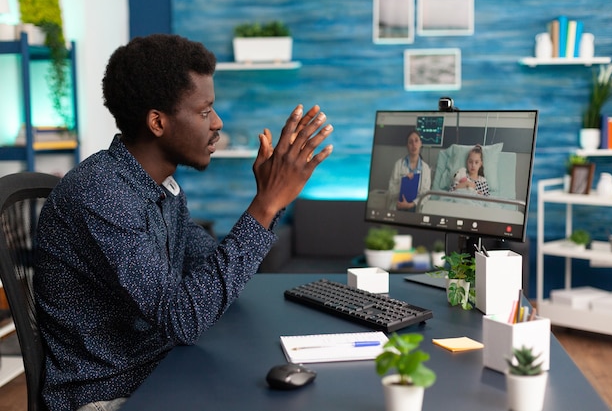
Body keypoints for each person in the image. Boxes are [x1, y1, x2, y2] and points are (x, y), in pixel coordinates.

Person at [33, 34, 333, 411]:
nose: (217, 123)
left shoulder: (161, 189)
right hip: (108, 395)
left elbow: (211, 271)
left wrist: (269, 204)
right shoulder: (102, 194)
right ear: (158, 122)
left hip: (160, 369)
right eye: (205, 111)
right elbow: (183, 317)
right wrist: (264, 205)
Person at [387, 130, 431, 211]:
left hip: (416, 208)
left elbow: (426, 195)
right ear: (407, 146)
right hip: (398, 206)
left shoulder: (426, 169)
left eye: (416, 141)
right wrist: (403, 182)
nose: (414, 144)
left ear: (420, 143)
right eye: (410, 142)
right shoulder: (399, 164)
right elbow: (391, 192)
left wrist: (411, 204)